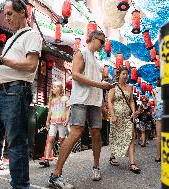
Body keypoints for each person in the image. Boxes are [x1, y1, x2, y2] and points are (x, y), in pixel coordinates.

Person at [0, 0, 42, 188]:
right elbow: (6, 63)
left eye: (10, 14)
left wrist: (0, 59)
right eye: (5, 14)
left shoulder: (31, 35)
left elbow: (31, 65)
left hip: (16, 91)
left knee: (15, 141)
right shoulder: (13, 38)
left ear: (22, 12)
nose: (6, 18)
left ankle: (21, 186)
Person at [48, 30, 114, 189]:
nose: (103, 45)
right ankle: (55, 175)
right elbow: (76, 75)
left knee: (97, 134)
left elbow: (99, 83)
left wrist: (104, 103)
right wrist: (100, 85)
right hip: (80, 100)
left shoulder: (97, 61)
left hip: (95, 102)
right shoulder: (81, 52)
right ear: (92, 38)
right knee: (76, 132)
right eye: (102, 41)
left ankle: (96, 167)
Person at [107, 66, 141, 174]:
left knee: (130, 137)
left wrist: (133, 112)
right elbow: (109, 101)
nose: (126, 76)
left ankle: (132, 163)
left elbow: (131, 101)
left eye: (127, 74)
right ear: (119, 75)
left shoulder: (130, 87)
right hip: (116, 116)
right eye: (124, 74)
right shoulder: (113, 86)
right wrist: (112, 115)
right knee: (115, 136)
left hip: (127, 116)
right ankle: (112, 156)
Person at [40, 81, 70, 167]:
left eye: (56, 87)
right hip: (53, 122)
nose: (53, 89)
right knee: (50, 139)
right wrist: (47, 121)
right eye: (53, 87)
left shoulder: (65, 98)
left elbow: (68, 109)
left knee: (62, 140)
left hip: (62, 122)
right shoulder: (52, 99)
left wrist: (67, 119)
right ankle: (46, 159)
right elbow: (50, 111)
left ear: (60, 88)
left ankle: (62, 158)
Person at [152, 78, 163, 163]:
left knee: (158, 135)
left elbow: (155, 104)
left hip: (159, 110)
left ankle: (158, 156)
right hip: (168, 110)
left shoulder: (154, 90)